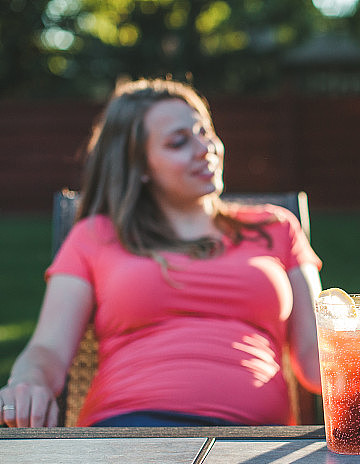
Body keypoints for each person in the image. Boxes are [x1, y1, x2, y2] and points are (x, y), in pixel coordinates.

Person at [1, 78, 324, 427]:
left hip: (255, 443)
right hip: (129, 433)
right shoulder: (95, 237)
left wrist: (357, 378)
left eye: (204, 132)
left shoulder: (276, 227)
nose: (206, 149)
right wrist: (28, 383)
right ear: (139, 167)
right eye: (178, 142)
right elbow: (48, 349)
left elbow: (314, 352)